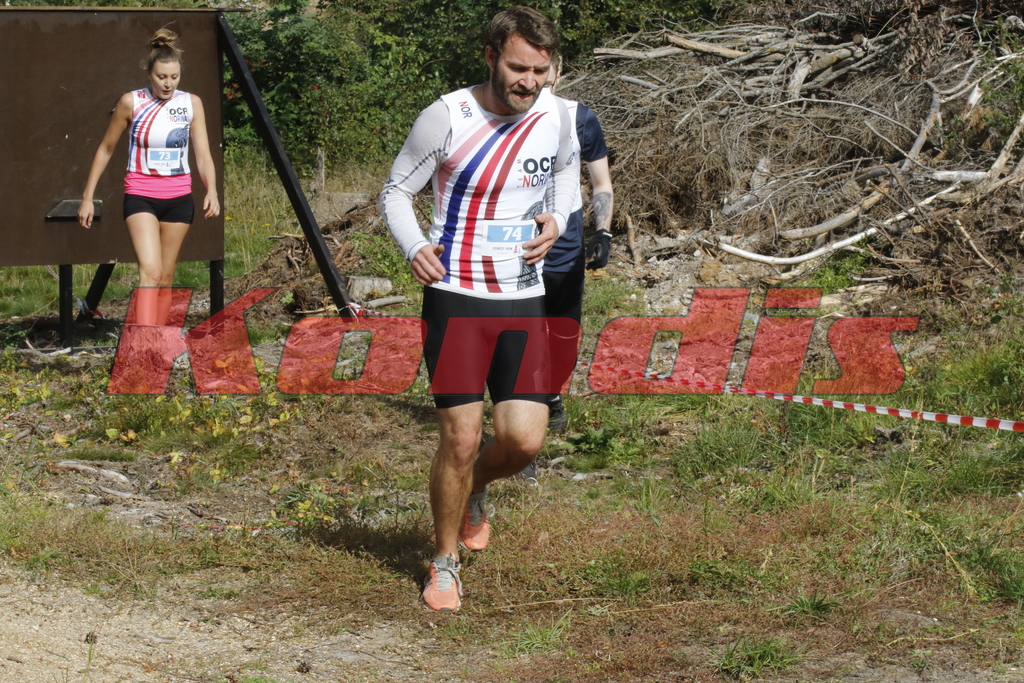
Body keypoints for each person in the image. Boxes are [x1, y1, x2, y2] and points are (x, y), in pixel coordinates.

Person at [380, 6, 578, 612]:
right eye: (519, 69)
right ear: (490, 57)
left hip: (523, 296)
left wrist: (557, 218)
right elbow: (396, 191)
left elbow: (566, 179)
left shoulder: (557, 115)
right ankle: (444, 562)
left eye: (540, 71)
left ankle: (471, 493)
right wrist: (414, 246)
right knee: (462, 439)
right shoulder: (448, 116)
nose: (530, 83)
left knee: (523, 442)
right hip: (457, 295)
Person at [79, 28, 220, 327]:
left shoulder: (191, 103)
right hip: (141, 195)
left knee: (166, 278)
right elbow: (106, 149)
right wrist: (87, 197)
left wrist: (212, 190)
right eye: (161, 77)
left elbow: (203, 154)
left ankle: (157, 340)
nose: (168, 83)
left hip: (179, 198)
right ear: (149, 74)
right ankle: (142, 343)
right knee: (151, 272)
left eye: (174, 77)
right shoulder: (131, 102)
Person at [518, 58, 614, 484]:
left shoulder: (580, 118)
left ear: (558, 72)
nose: (536, 79)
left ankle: (552, 394)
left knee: (563, 332)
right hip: (518, 240)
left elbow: (601, 182)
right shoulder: (503, 114)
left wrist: (603, 232)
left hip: (566, 239)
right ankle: (522, 434)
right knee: (521, 335)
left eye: (545, 69)